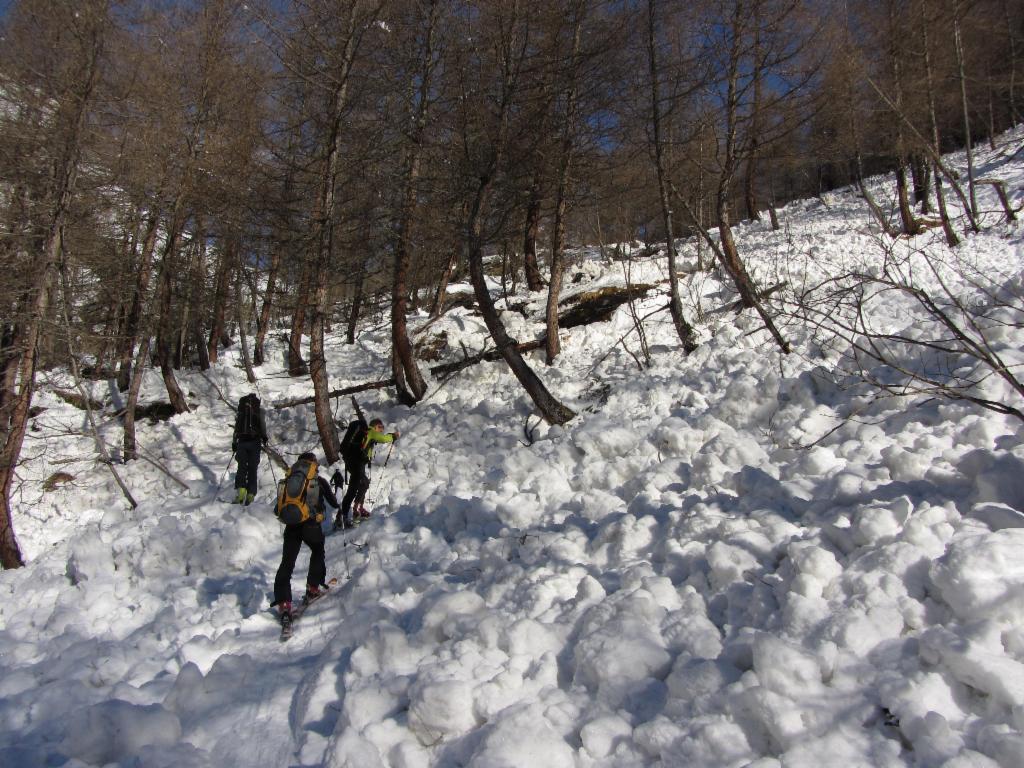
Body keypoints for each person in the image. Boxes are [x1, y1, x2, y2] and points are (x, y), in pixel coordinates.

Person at [273, 452, 339, 628]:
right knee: (317, 550)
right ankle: (312, 588)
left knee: (287, 562)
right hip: (311, 526)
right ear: (313, 464)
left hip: (291, 526)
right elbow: (334, 503)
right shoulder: (317, 480)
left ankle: (284, 602)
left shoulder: (288, 480)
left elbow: (276, 508)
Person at [334, 417, 399, 530]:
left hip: (352, 462)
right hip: (357, 463)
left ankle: (355, 509)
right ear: (375, 426)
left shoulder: (364, 433)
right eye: (381, 427)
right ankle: (346, 515)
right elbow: (383, 439)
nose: (381, 430)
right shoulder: (371, 431)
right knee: (354, 489)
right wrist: (393, 436)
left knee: (363, 483)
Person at [232, 393, 267, 505]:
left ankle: (241, 492)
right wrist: (264, 438)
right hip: (254, 442)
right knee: (253, 468)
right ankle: (251, 494)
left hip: (242, 441)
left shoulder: (241, 411)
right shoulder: (258, 411)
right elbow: (263, 425)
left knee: (241, 467)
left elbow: (237, 427)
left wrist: (234, 443)